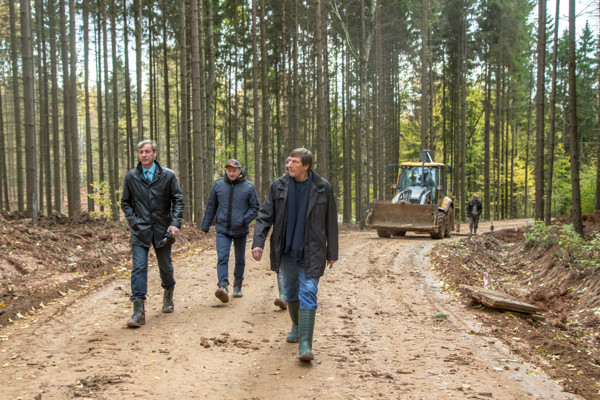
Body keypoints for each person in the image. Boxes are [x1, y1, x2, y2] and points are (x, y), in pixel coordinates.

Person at [252, 148, 339, 362]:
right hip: (287, 251)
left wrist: (332, 252)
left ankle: (306, 346)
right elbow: (265, 216)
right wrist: (258, 243)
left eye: (294, 162)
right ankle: (297, 326)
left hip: (312, 251)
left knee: (308, 291)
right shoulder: (278, 186)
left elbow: (330, 221)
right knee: (291, 292)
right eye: (289, 161)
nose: (288, 165)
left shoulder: (322, 187)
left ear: (306, 166)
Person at [121, 139, 184, 328]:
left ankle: (168, 292)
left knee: (165, 266)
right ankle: (138, 312)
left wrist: (175, 224)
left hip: (163, 230)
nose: (144, 155)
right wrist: (134, 222)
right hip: (140, 231)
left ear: (155, 153)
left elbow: (178, 200)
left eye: (147, 151)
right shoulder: (131, 176)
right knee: (139, 267)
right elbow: (125, 202)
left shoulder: (168, 175)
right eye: (141, 152)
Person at [202, 159, 260, 303]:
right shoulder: (218, 185)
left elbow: (255, 208)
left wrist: (244, 220)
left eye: (234, 170)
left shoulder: (248, 187)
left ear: (240, 171)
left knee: (240, 259)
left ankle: (237, 285)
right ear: (226, 171)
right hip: (222, 228)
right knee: (222, 257)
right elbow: (211, 206)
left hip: (240, 229)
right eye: (229, 170)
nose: (232, 173)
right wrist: (205, 225)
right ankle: (223, 286)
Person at [273, 158, 291, 311]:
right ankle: (283, 297)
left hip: (300, 236)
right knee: (280, 264)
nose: (289, 171)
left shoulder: (310, 186)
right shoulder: (277, 185)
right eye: (286, 168)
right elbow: (267, 212)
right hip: (281, 233)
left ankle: (294, 297)